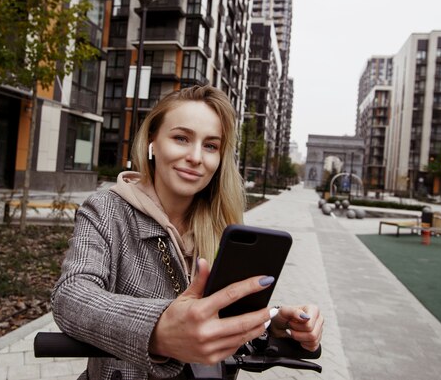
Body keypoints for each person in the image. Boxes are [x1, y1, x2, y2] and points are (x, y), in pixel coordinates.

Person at [51, 85, 324, 380]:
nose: (196, 157)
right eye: (181, 138)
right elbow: (70, 296)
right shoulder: (107, 209)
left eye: (210, 145)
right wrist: (158, 329)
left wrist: (273, 323)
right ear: (152, 141)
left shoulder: (222, 224)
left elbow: (222, 316)